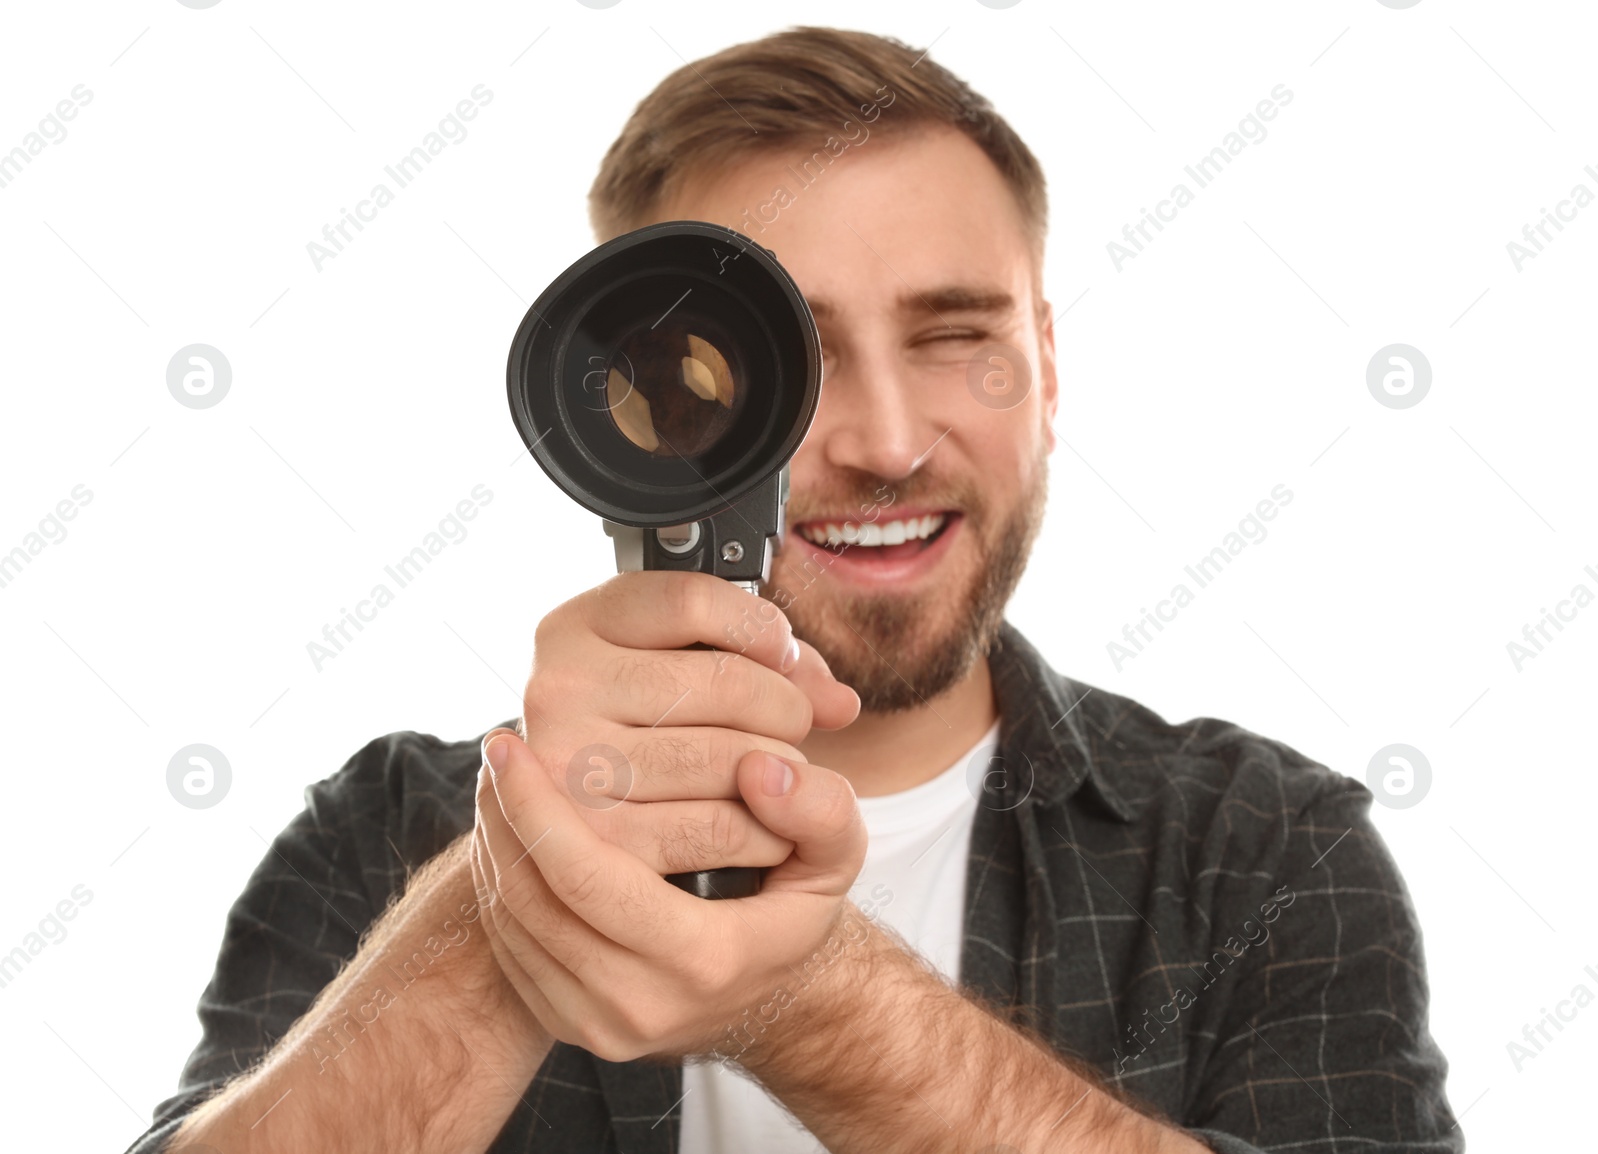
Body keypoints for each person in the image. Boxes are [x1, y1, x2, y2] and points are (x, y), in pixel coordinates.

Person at [125, 25, 1460, 1154]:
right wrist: (528, 891)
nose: (885, 439)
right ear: (626, 407)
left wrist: (814, 1002)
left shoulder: (1262, 849)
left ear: (1045, 364)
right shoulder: (390, 834)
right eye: (783, 359)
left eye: (955, 337)